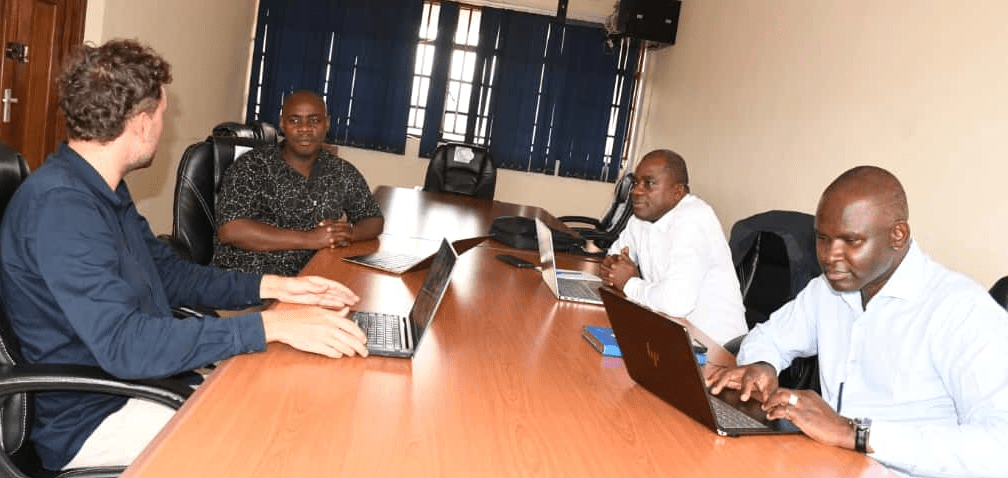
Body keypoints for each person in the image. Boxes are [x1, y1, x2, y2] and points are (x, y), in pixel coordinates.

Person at [0, 39, 369, 472]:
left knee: (292, 403)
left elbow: (171, 276)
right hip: (96, 418)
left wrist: (276, 287)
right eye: (162, 114)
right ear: (141, 123)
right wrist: (271, 325)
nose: (163, 126)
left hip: (141, 385)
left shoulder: (101, 189)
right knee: (280, 447)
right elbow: (125, 345)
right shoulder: (61, 208)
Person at [708, 166, 1008, 478]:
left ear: (898, 235)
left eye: (851, 241)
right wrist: (762, 365)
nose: (829, 256)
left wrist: (856, 433)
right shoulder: (829, 289)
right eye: (822, 238)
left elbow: (1001, 449)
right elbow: (769, 337)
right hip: (829, 462)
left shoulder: (961, 310)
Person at [212, 90, 384, 276]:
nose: (305, 128)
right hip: (249, 278)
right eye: (294, 120)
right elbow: (230, 230)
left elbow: (373, 219)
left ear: (327, 124)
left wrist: (349, 232)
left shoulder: (341, 171)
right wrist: (310, 239)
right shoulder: (252, 165)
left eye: (314, 120)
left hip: (312, 274)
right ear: (282, 123)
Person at [599, 149, 746, 345]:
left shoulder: (694, 220)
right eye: (635, 182)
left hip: (713, 347)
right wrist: (613, 267)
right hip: (668, 329)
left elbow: (675, 303)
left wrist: (628, 282)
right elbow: (614, 258)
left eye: (648, 183)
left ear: (678, 192)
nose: (636, 191)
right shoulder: (641, 218)